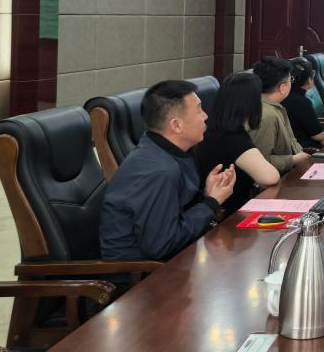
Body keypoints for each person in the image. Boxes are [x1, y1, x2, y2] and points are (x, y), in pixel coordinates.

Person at [100, 80, 235, 260]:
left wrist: (207, 195)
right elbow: (161, 245)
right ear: (176, 125)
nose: (205, 116)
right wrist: (211, 203)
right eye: (199, 110)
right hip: (139, 271)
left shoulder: (164, 148)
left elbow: (175, 211)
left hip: (169, 259)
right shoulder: (159, 171)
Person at [197, 73, 281, 216]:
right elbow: (270, 177)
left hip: (221, 210)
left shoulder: (214, 127)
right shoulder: (232, 137)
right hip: (229, 217)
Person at [249, 57, 310, 174]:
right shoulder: (267, 115)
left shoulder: (275, 107)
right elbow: (261, 162)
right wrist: (294, 159)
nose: (291, 83)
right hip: (278, 178)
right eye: (290, 79)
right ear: (282, 88)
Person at [282, 57, 324, 150]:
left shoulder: (281, 96)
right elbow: (318, 135)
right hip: (304, 151)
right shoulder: (301, 102)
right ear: (309, 80)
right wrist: (322, 138)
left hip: (289, 147)